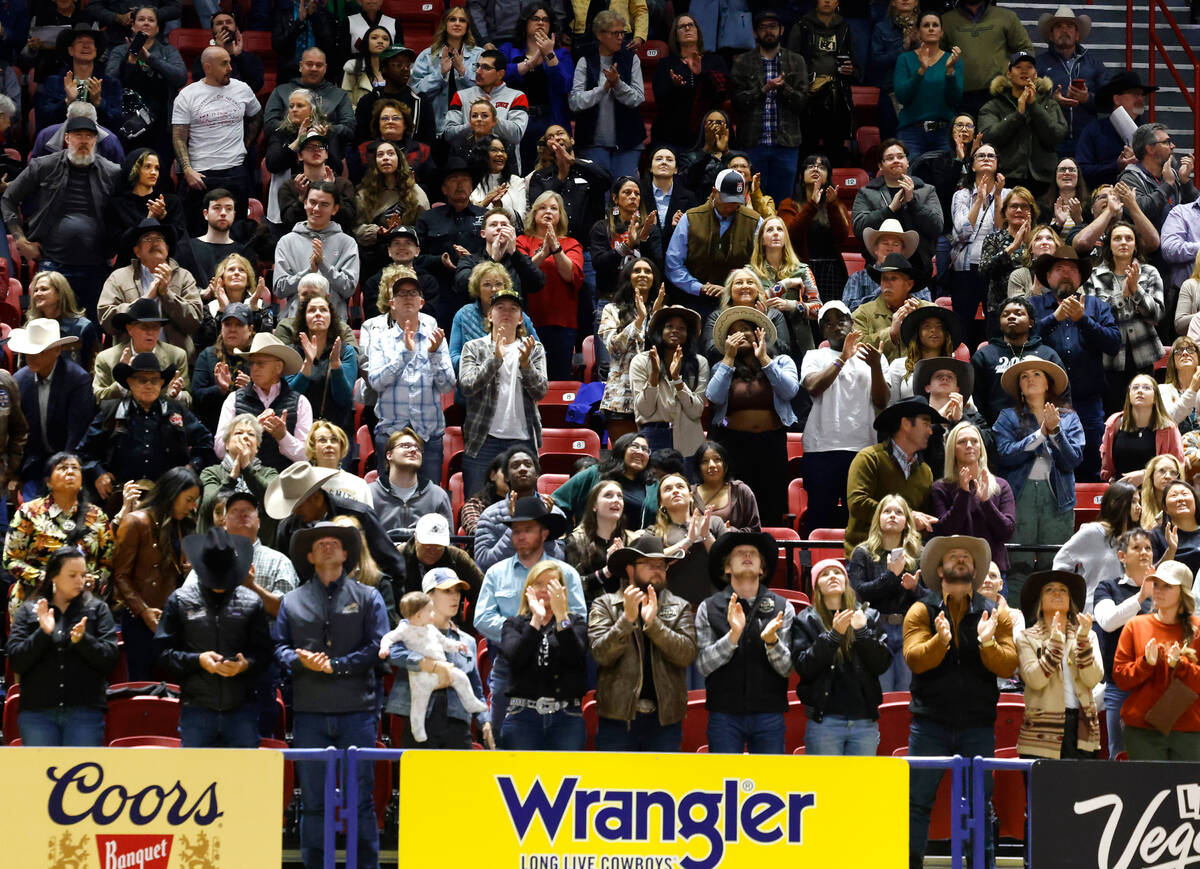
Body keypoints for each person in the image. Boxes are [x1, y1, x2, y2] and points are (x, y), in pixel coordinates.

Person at [277, 521, 387, 868]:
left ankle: (365, 864)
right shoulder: (291, 601)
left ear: (345, 554)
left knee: (361, 801)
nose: (327, 546)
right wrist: (298, 660)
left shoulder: (368, 596)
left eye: (334, 543)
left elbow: (377, 647)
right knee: (313, 802)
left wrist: (336, 666)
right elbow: (278, 647)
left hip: (358, 713)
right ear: (309, 556)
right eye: (319, 543)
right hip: (310, 714)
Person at [903, 534, 1017, 868]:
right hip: (929, 723)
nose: (961, 559)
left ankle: (979, 864)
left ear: (976, 568)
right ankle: (910, 863)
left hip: (978, 725)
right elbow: (914, 658)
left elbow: (1009, 664)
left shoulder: (996, 614)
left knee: (980, 803)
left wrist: (987, 644)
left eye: (967, 556)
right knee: (917, 802)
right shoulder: (920, 610)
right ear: (940, 569)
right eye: (953, 556)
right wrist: (940, 641)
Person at [473, 495, 585, 734]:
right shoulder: (495, 573)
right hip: (509, 666)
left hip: (559, 668)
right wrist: (521, 632)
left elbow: (578, 616)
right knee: (505, 746)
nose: (520, 536)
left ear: (544, 534)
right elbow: (482, 618)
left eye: (527, 529)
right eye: (516, 530)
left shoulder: (567, 573)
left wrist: (546, 632)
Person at [155, 527, 272, 747]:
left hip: (242, 709)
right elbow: (162, 654)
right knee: (195, 779)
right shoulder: (179, 601)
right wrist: (197, 661)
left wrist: (245, 665)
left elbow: (265, 653)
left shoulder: (252, 602)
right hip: (196, 707)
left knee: (243, 779)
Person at [587, 532, 697, 750]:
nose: (658, 569)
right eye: (650, 564)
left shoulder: (679, 607)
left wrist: (653, 625)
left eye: (662, 565)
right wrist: (626, 620)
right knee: (616, 784)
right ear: (630, 569)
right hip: (617, 721)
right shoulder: (605, 605)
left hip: (665, 721)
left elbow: (686, 655)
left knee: (663, 784)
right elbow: (601, 654)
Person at [2, 115, 121, 313]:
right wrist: (20, 240)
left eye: (89, 136)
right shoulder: (44, 166)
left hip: (97, 264)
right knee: (50, 326)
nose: (84, 141)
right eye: (78, 135)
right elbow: (8, 199)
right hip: (53, 261)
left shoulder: (111, 172)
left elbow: (125, 208)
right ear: (67, 139)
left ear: (96, 141)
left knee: (91, 328)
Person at [6, 546, 119, 746]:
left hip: (85, 712)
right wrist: (43, 633)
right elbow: (17, 661)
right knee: (40, 775)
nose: (80, 581)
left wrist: (83, 641)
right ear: (54, 577)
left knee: (82, 773)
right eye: (72, 575)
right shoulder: (30, 611)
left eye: (83, 575)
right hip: (37, 712)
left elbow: (110, 660)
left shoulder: (97, 609)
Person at [694, 530, 794, 753]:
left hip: (770, 714)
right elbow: (702, 665)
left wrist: (772, 642)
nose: (747, 555)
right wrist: (732, 637)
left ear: (762, 569)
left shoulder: (783, 607)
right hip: (724, 715)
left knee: (770, 784)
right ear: (727, 568)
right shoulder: (708, 608)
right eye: (740, 553)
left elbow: (787, 668)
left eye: (753, 554)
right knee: (723, 781)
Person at [1029, 245, 1120, 481]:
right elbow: (1024, 342)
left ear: (1080, 277)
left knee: (1092, 466)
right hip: (1044, 403)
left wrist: (1083, 320)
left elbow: (1113, 343)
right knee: (1043, 470)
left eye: (1072, 268)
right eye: (1059, 268)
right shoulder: (1034, 306)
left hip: (1089, 402)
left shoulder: (1096, 306)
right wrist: (1054, 318)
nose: (1066, 273)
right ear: (1048, 277)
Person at [78, 353, 214, 505]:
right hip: (119, 496)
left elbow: (205, 442)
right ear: (130, 382)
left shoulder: (176, 410)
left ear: (162, 383)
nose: (149, 385)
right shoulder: (111, 410)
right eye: (142, 380)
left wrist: (191, 468)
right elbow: (83, 451)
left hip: (168, 496)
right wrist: (98, 473)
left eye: (154, 380)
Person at [705, 305, 798, 527]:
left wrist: (765, 359)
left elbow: (790, 390)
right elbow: (714, 397)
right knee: (736, 504)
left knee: (771, 504)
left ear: (759, 332)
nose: (740, 334)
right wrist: (728, 358)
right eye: (734, 331)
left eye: (746, 328)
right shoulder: (721, 365)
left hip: (771, 444)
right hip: (732, 444)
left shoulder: (782, 361)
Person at [110, 466, 201, 681]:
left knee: (174, 685)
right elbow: (120, 575)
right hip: (140, 618)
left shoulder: (181, 525)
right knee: (143, 683)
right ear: (173, 492)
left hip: (172, 615)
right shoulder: (135, 521)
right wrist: (144, 611)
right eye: (188, 499)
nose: (192, 506)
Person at [793, 558, 892, 755]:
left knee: (859, 786)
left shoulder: (869, 616)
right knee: (825, 785)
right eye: (825, 574)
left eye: (837, 573)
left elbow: (881, 664)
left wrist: (862, 633)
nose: (832, 577)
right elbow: (805, 667)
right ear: (816, 585)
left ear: (846, 581)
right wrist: (834, 636)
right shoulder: (805, 620)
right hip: (825, 721)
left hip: (864, 721)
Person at [458, 286, 548, 496]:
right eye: (500, 307)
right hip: (483, 439)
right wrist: (494, 359)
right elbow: (467, 386)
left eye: (513, 308)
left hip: (523, 439)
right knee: (476, 503)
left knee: (523, 506)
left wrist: (526, 365)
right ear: (490, 315)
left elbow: (540, 391)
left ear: (520, 318)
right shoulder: (473, 347)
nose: (506, 312)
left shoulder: (533, 349)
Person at [4, 452, 113, 618]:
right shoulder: (29, 512)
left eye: (75, 468)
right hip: (34, 601)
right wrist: (48, 579)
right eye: (62, 468)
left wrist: (94, 580)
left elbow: (108, 562)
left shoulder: (97, 515)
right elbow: (10, 560)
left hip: (83, 603)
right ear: (48, 482)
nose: (70, 472)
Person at [1112, 559, 1200, 760]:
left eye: (1167, 586)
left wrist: (1181, 666)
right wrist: (1146, 664)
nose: (1158, 590)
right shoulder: (1135, 625)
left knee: (1187, 789)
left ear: (1183, 591)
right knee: (1145, 790)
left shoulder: (1198, 628)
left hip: (1190, 730)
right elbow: (1121, 678)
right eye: (1156, 584)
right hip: (1142, 730)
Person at [496, 560, 589, 749]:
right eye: (538, 583)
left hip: (567, 717)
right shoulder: (513, 624)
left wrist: (562, 616)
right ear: (528, 590)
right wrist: (536, 620)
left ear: (562, 590)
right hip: (523, 716)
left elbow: (574, 657)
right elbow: (516, 660)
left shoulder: (575, 622)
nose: (545, 589)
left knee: (567, 776)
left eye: (551, 583)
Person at [170, 46, 261, 232]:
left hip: (236, 171)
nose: (230, 68)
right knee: (200, 232)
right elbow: (178, 136)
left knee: (236, 232)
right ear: (208, 67)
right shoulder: (188, 95)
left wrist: (246, 144)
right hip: (201, 174)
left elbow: (257, 116)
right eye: (224, 64)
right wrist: (187, 169)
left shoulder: (242, 89)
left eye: (230, 62)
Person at [1014, 569, 1102, 758]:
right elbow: (1035, 680)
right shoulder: (1026, 637)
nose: (1057, 593)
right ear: (1040, 602)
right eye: (1049, 590)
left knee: (1084, 788)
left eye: (1063, 590)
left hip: (1082, 730)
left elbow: (1094, 678)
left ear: (1070, 602)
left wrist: (1083, 641)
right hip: (1040, 734)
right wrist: (1054, 644)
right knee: (1044, 788)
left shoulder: (1087, 635)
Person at [727, 9, 809, 204]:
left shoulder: (796, 61)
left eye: (772, 27)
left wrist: (783, 88)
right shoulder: (742, 62)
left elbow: (802, 102)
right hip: (753, 144)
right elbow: (737, 102)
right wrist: (763, 89)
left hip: (786, 145)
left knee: (783, 203)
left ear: (781, 30)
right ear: (755, 33)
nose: (768, 31)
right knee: (751, 202)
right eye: (763, 28)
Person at [845, 395, 944, 554]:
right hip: (866, 557)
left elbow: (923, 515)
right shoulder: (869, 458)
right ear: (905, 424)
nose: (930, 431)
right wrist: (908, 516)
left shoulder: (926, 472)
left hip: (907, 559)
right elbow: (858, 503)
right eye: (926, 423)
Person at [848, 494, 926, 692]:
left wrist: (915, 588)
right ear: (878, 518)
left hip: (909, 629)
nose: (892, 516)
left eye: (899, 512)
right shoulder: (862, 552)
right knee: (883, 693)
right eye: (887, 511)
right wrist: (891, 576)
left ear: (907, 522)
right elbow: (859, 592)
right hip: (876, 630)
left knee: (905, 694)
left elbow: (932, 598)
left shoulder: (919, 553)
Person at [96, 218, 204, 359]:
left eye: (160, 238)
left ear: (167, 248)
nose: (155, 242)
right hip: (130, 362)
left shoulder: (184, 276)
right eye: (147, 239)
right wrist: (147, 298)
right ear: (137, 251)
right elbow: (106, 320)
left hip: (174, 361)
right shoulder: (119, 277)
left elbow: (194, 322)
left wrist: (167, 295)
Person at [1084, 222, 1165, 408]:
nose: (1123, 242)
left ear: (1136, 245)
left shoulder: (1150, 272)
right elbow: (1092, 318)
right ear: (1109, 245)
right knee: (1113, 416)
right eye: (1117, 238)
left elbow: (1157, 314)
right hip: (1108, 359)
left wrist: (1136, 291)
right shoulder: (1093, 276)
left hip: (1143, 356)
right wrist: (1122, 297)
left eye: (1129, 238)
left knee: (1143, 412)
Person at [12, 319, 96, 498]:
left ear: (57, 351)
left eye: (38, 352)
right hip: (33, 465)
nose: (31, 358)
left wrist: (65, 470)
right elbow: (17, 431)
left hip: (69, 460)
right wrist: (15, 472)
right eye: (28, 353)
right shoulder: (19, 380)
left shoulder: (77, 379)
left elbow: (77, 433)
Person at [666, 168, 762, 321]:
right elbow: (673, 264)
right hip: (696, 299)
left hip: (740, 300)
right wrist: (700, 287)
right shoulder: (691, 218)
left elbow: (761, 265)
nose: (731, 205)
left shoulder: (754, 221)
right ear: (714, 192)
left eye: (736, 201)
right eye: (726, 199)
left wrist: (732, 289)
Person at [1093, 527, 1155, 758]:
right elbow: (1108, 622)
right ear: (1122, 556)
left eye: (1148, 548)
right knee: (1120, 757)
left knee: (1155, 759)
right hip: (1120, 686)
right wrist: (1141, 597)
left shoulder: (1162, 591)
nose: (1144, 553)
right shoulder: (1107, 587)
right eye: (1136, 548)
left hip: (1156, 686)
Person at [213, 333, 310, 473]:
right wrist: (253, 428)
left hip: (285, 483)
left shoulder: (300, 403)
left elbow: (306, 456)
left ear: (278, 367)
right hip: (243, 484)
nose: (254, 368)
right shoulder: (233, 399)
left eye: (261, 363)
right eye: (252, 363)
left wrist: (283, 437)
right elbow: (220, 449)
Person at [565, 11, 643, 179]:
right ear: (600, 34)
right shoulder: (585, 60)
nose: (620, 37)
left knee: (626, 194)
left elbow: (638, 98)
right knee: (597, 199)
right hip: (592, 143)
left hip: (628, 143)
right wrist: (603, 89)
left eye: (622, 33)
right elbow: (575, 102)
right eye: (615, 33)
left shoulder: (631, 59)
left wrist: (618, 84)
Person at [978, 50, 1068, 195]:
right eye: (1018, 67)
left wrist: (1033, 106)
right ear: (1008, 73)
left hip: (1044, 180)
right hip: (1005, 179)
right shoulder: (994, 105)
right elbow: (989, 137)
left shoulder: (1049, 105)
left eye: (1029, 67)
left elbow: (1056, 135)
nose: (1024, 71)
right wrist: (1018, 115)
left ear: (1036, 74)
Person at [931, 420, 1015, 571]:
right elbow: (945, 532)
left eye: (974, 441)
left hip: (992, 571)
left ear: (981, 448)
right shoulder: (941, 488)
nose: (969, 445)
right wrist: (963, 494)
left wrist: (986, 502)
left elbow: (1006, 532)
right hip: (956, 570)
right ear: (952, 449)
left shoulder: (1000, 486)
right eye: (962, 442)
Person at [517, 191, 584, 379]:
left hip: (561, 322)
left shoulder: (571, 244)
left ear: (560, 216)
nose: (548, 212)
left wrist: (556, 249)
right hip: (526, 321)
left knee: (558, 377)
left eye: (554, 208)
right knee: (527, 377)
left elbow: (571, 275)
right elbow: (521, 272)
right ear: (534, 213)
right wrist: (543, 252)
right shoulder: (521, 241)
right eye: (543, 207)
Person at [851, 140, 944, 275]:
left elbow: (936, 227)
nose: (896, 160)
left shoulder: (926, 190)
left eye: (900, 157)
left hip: (919, 267)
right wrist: (889, 210)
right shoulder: (867, 192)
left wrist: (912, 202)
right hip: (879, 267)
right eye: (890, 158)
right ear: (880, 166)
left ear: (907, 162)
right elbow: (859, 228)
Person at [971, 296, 1066, 425]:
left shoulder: (1047, 355)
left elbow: (1062, 396)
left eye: (1018, 313)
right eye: (1005, 314)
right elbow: (977, 400)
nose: (1011, 316)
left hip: (1042, 429)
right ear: (1000, 323)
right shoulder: (984, 355)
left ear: (1031, 322)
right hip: (995, 430)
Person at [629, 304, 709, 459]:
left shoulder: (700, 363)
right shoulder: (640, 361)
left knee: (687, 483)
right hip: (653, 435)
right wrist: (654, 376)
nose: (675, 331)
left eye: (682, 328)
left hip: (689, 439)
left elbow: (696, 411)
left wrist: (677, 380)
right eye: (669, 326)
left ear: (689, 333)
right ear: (660, 331)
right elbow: (644, 410)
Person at [273, 182, 361, 321]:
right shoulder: (286, 241)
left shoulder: (347, 243)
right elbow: (279, 289)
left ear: (335, 209)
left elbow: (348, 288)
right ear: (304, 203)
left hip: (333, 322)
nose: (316, 209)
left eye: (324, 205)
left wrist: (324, 266)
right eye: (312, 202)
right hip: (294, 320)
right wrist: (308, 271)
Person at [1051, 478, 1138, 612]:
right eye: (1133, 502)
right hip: (1092, 613)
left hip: (1126, 611)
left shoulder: (1135, 537)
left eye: (1139, 502)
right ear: (1115, 503)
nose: (1139, 507)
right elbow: (1061, 562)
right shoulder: (1092, 532)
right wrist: (1070, 597)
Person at [472, 446, 565, 571]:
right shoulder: (490, 515)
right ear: (506, 477)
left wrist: (545, 522)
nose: (522, 469)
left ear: (537, 474)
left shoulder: (554, 513)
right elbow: (483, 562)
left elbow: (559, 561)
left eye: (527, 465)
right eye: (515, 466)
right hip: (504, 584)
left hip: (543, 582)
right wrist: (515, 524)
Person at [598, 257, 661, 441]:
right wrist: (639, 320)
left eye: (648, 271)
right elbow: (614, 348)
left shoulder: (662, 311)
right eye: (637, 270)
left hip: (655, 396)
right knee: (624, 460)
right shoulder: (612, 309)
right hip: (620, 397)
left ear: (654, 279)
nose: (642, 274)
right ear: (627, 277)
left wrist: (655, 316)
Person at [891, 12, 964, 164]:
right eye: (926, 25)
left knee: (945, 180)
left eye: (935, 25)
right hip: (912, 132)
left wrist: (950, 70)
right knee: (911, 179)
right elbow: (903, 96)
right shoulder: (905, 59)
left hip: (944, 132)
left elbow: (955, 99)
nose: (931, 29)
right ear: (918, 32)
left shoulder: (952, 60)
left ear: (941, 32)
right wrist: (921, 71)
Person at [776, 154, 851, 301]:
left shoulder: (836, 204)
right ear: (801, 175)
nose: (816, 169)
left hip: (831, 272)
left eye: (822, 167)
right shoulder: (788, 204)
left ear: (828, 176)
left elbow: (842, 238)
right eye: (810, 166)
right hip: (799, 270)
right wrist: (812, 204)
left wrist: (832, 205)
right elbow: (791, 235)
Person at [650, 13, 730, 151]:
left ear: (697, 31)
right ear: (675, 35)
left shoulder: (714, 61)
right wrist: (674, 87)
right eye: (682, 26)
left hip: (708, 136)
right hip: (671, 136)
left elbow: (721, 95)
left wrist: (701, 75)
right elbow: (660, 100)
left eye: (690, 25)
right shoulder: (666, 64)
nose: (687, 28)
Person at [93, 297, 189, 408]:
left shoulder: (177, 356)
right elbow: (98, 399)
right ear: (130, 329)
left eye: (155, 327)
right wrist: (122, 383)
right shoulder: (106, 358)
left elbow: (189, 399)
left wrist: (177, 396)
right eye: (144, 327)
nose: (150, 332)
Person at [948, 144, 1004, 337]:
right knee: (962, 327)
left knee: (994, 326)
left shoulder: (1007, 194)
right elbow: (961, 233)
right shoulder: (961, 196)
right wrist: (979, 200)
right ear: (972, 166)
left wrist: (996, 197)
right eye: (981, 156)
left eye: (991, 156)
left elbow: (1002, 234)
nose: (987, 158)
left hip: (996, 271)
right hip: (965, 270)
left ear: (996, 164)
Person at [444, 48, 530, 168]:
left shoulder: (516, 96)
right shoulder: (461, 95)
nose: (478, 71)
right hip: (467, 167)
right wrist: (474, 124)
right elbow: (449, 134)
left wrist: (491, 116)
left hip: (504, 168)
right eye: (477, 66)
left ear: (501, 74)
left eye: (486, 67)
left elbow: (516, 135)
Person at [562, 480, 638, 606]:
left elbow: (642, 583)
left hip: (627, 610)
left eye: (620, 496)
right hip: (590, 613)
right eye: (608, 495)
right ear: (594, 506)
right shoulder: (576, 540)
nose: (616, 500)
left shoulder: (632, 539)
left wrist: (624, 564)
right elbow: (572, 586)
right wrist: (608, 570)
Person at [411, 6, 482, 140]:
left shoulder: (479, 55)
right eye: (452, 19)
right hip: (435, 130)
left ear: (467, 26)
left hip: (469, 129)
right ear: (445, 24)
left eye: (462, 20)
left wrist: (463, 73)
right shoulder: (427, 55)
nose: (457, 23)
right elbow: (416, 93)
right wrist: (440, 74)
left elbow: (485, 93)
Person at [1100, 376, 1183, 484]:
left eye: (1146, 388)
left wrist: (1146, 475)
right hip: (1121, 491)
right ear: (1129, 396)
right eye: (1135, 387)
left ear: (1155, 398)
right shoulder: (1114, 423)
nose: (1139, 391)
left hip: (1154, 491)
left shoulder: (1168, 428)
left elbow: (1178, 466)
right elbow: (1107, 468)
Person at [369, 427, 454, 533]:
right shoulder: (369, 494)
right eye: (405, 446)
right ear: (389, 455)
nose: (413, 450)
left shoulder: (438, 495)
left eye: (418, 448)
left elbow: (448, 542)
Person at [978, 186, 1041, 329]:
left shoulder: (1039, 239)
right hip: (999, 310)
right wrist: (1013, 247)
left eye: (1024, 206)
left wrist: (1027, 244)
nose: (1019, 210)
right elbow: (984, 272)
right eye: (1014, 206)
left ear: (1031, 212)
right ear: (1005, 212)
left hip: (1034, 309)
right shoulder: (993, 239)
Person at [851, 252, 931, 361]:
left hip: (918, 374)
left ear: (909, 285)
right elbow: (855, 348)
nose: (887, 284)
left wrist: (918, 323)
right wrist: (890, 334)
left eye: (893, 279)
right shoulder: (863, 313)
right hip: (876, 375)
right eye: (884, 279)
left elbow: (941, 345)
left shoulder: (928, 311)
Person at [1118, 123, 1197, 232]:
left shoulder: (1172, 174)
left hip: (1175, 243)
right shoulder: (1129, 179)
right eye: (1166, 142)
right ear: (1150, 149)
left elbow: (1196, 209)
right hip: (1149, 247)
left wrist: (1185, 182)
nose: (1172, 146)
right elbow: (1141, 211)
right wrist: (1167, 185)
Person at [104, 148, 186, 250]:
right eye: (147, 167)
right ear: (134, 169)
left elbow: (178, 240)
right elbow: (116, 243)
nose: (153, 172)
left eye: (157, 168)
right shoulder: (117, 205)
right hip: (129, 262)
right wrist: (149, 221)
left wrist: (164, 218)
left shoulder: (170, 202)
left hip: (165, 261)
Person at [24, 271, 102, 372]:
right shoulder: (31, 328)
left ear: (60, 294)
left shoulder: (82, 327)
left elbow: (91, 367)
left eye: (44, 289)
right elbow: (25, 368)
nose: (37, 294)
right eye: (35, 290)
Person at [397, 514, 484, 600]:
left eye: (439, 546)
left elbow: (482, 594)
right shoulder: (397, 558)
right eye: (427, 545)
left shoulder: (458, 558)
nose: (432, 551)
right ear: (416, 538)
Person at [886, 306, 962, 400]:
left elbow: (970, 408)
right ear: (917, 333)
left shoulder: (956, 368)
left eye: (940, 327)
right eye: (927, 326)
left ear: (946, 335)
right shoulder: (898, 365)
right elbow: (891, 406)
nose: (934, 330)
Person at [691, 440, 760, 533]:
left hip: (734, 546)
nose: (711, 465)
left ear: (726, 465)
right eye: (704, 461)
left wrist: (730, 531)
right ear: (698, 468)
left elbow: (755, 531)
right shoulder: (689, 493)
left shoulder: (741, 491)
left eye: (717, 459)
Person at [304, 420, 370, 507]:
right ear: (313, 448)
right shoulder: (302, 483)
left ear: (341, 447)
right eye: (322, 440)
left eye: (334, 440)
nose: (329, 444)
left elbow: (366, 519)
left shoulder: (359, 485)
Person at [1151, 480, 1200, 575]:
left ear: (1195, 500)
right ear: (1165, 508)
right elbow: (1151, 576)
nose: (1180, 499)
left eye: (1185, 494)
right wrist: (1171, 550)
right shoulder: (1156, 535)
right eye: (1174, 495)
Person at [340, 24, 391, 108]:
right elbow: (345, 104)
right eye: (374, 38)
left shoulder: (396, 70)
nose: (380, 41)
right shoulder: (353, 68)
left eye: (385, 39)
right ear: (366, 42)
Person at [1161, 337, 1200, 434]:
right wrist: (1192, 390)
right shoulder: (1162, 390)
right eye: (1179, 351)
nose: (1185, 353)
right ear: (1173, 362)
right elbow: (1166, 423)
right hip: (1174, 447)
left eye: (1191, 350)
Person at [1139, 454, 1182, 530]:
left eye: (1173, 472)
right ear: (1151, 475)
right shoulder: (1137, 502)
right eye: (1162, 471)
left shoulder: (1185, 504)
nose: (1168, 476)